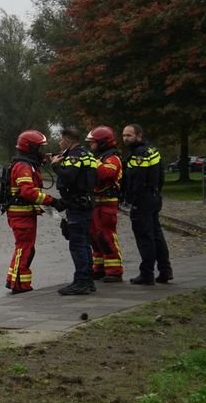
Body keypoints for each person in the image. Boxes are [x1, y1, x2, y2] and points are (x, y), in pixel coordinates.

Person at [4, 130, 66, 294]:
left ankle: (19, 282)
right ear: (30, 148)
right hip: (21, 214)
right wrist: (52, 201)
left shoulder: (28, 164)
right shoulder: (24, 166)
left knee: (26, 248)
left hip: (25, 213)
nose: (41, 151)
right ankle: (17, 283)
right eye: (39, 148)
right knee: (24, 248)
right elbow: (28, 192)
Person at [49, 127, 99, 296]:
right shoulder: (88, 154)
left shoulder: (75, 155)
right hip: (85, 202)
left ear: (68, 140)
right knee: (85, 243)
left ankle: (81, 282)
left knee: (77, 244)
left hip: (77, 205)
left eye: (61, 139)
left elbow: (69, 177)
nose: (59, 142)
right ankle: (88, 280)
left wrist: (56, 166)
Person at [121, 124, 172, 285]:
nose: (125, 138)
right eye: (124, 135)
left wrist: (129, 199)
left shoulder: (139, 155)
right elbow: (161, 175)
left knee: (145, 237)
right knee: (157, 235)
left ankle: (147, 273)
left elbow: (137, 180)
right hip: (154, 197)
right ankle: (165, 270)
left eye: (129, 135)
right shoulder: (152, 151)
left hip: (142, 200)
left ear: (139, 135)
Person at [87, 126, 124, 282]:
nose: (91, 146)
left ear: (102, 143)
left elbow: (105, 174)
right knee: (95, 237)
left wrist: (91, 161)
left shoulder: (112, 159)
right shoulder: (101, 158)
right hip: (96, 203)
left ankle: (115, 270)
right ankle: (100, 268)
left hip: (107, 203)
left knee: (106, 236)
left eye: (93, 143)